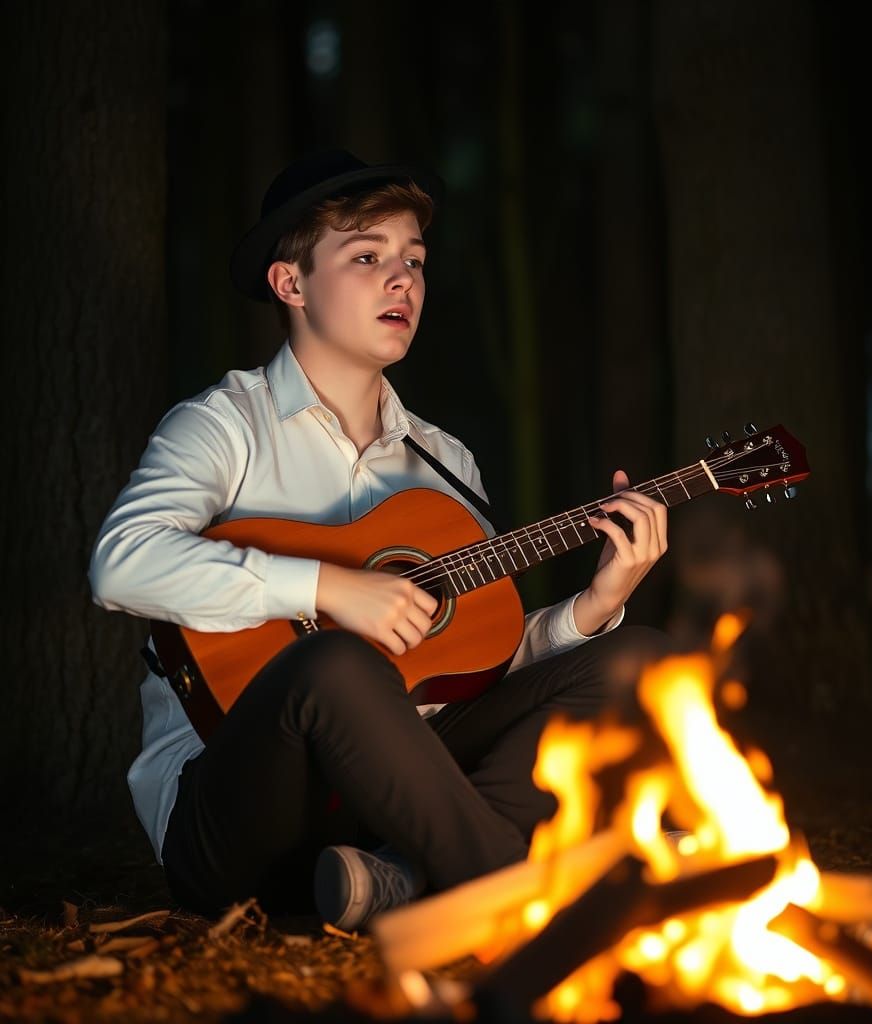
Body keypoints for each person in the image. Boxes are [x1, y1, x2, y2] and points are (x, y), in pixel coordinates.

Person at [88, 149, 674, 929]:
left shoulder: (445, 464)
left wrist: (597, 603)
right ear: (289, 283)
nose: (403, 280)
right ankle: (525, 902)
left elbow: (466, 664)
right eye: (368, 257)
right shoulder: (225, 425)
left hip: (394, 808)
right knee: (334, 661)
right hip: (239, 818)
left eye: (414, 261)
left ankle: (401, 879)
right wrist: (329, 589)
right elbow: (121, 564)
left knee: (640, 659)